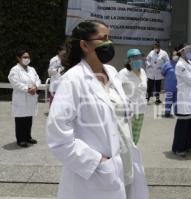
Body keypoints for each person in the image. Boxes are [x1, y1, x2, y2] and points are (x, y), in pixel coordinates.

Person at [46, 20, 149, 199]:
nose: (109, 43)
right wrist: (97, 162)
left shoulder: (111, 71)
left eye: (109, 38)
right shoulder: (73, 80)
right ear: (85, 45)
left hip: (124, 162)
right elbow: (58, 137)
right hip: (96, 175)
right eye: (103, 38)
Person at [8, 50, 41, 148]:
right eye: (24, 57)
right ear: (19, 58)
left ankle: (27, 137)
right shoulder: (14, 70)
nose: (27, 59)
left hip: (31, 97)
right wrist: (28, 89)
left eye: (28, 57)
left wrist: (35, 87)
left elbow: (38, 79)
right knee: (20, 120)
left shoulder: (32, 69)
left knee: (28, 118)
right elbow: (15, 83)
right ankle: (20, 139)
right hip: (21, 98)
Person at [119, 49, 147, 145]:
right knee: (125, 139)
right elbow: (115, 91)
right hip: (127, 112)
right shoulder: (123, 73)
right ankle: (124, 159)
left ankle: (133, 159)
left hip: (141, 110)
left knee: (135, 139)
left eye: (140, 57)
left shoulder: (143, 72)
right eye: (135, 58)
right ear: (129, 60)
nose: (138, 60)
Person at [161, 50, 178, 117]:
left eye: (177, 55)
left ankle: (176, 112)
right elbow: (162, 72)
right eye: (174, 55)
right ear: (171, 56)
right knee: (168, 100)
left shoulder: (180, 64)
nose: (176, 56)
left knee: (176, 100)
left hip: (178, 86)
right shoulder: (167, 64)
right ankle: (167, 112)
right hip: (169, 85)